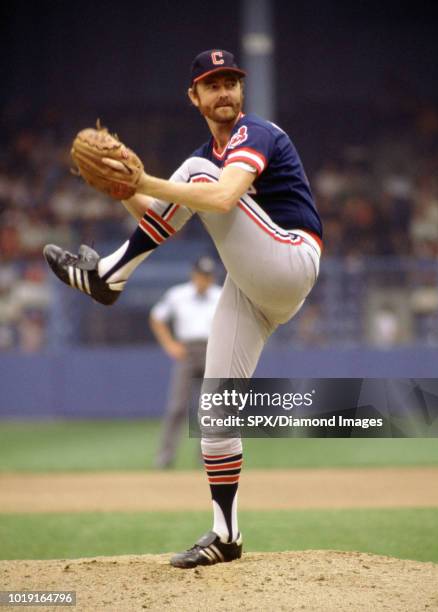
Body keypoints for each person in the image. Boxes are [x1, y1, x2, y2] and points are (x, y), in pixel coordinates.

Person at [43, 49, 323, 568]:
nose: (224, 91)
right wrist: (129, 189)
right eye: (212, 84)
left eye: (231, 82)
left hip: (290, 256)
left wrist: (142, 181)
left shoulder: (254, 133)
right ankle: (227, 534)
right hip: (252, 287)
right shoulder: (203, 156)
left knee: (197, 176)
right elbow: (159, 214)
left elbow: (219, 198)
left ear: (242, 91)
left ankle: (109, 275)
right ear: (193, 97)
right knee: (216, 416)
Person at [150, 256, 222, 468]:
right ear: (194, 275)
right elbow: (156, 317)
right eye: (201, 275)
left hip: (212, 350)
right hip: (187, 350)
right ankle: (165, 457)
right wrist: (169, 344)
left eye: (208, 276)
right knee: (177, 407)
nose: (204, 280)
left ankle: (207, 458)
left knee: (211, 408)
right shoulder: (178, 294)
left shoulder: (220, 295)